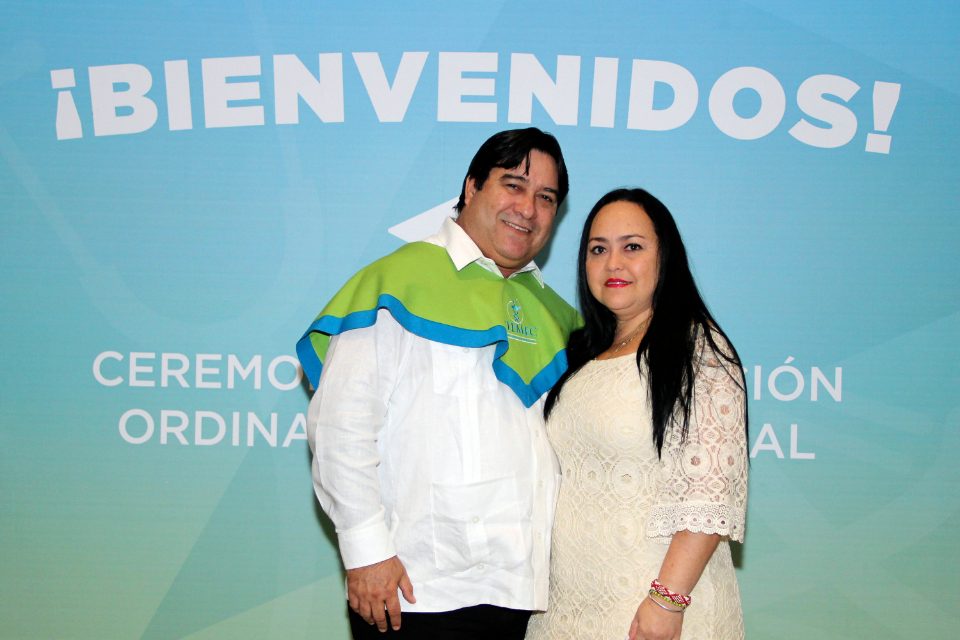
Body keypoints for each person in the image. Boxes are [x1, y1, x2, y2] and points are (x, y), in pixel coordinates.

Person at [296, 128, 580, 639]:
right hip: (416, 590)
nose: (528, 209)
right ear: (471, 186)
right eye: (513, 185)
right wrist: (366, 553)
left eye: (546, 197)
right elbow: (341, 426)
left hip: (523, 593)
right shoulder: (396, 283)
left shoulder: (556, 314)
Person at [525, 188, 749, 640]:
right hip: (568, 608)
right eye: (598, 249)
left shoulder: (698, 349)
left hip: (652, 612)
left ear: (665, 256)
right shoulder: (583, 354)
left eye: (632, 247)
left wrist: (667, 601)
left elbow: (709, 491)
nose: (613, 264)